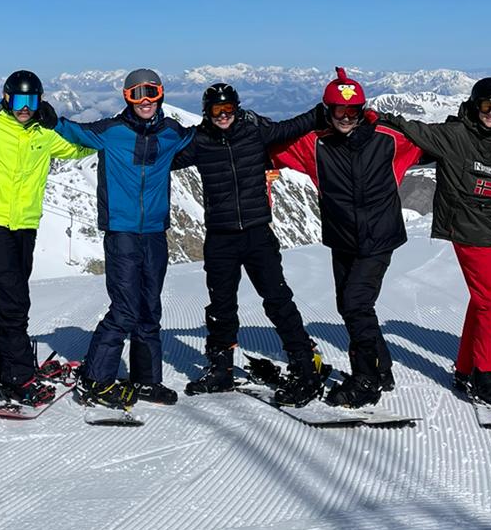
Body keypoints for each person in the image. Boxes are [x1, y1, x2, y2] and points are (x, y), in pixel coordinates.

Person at [270, 69, 423, 407]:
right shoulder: (314, 144)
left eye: (352, 111)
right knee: (350, 304)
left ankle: (366, 379)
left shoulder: (388, 139)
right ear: (328, 110)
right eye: (339, 110)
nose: (346, 117)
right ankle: (381, 367)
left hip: (379, 237)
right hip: (342, 239)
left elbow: (432, 144)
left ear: (362, 111)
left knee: (355, 303)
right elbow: (271, 143)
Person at [173, 81, 328, 404]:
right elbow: (163, 158)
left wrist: (324, 110)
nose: (224, 115)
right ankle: (220, 370)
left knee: (277, 299)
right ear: (207, 112)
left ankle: (304, 364)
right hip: (220, 237)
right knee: (221, 306)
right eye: (217, 109)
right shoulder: (199, 142)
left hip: (258, 234)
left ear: (237, 108)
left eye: (229, 108)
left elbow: (293, 126)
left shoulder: (255, 132)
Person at [380, 77, 491, 407]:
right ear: (474, 106)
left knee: (483, 301)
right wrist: (371, 116)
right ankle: (487, 375)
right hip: (467, 231)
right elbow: (410, 129)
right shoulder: (454, 135)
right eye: (486, 106)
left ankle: (466, 369)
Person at [0, 71, 93, 405]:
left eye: (32, 101)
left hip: (26, 226)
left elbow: (80, 148)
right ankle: (18, 376)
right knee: (15, 304)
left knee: (11, 300)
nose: (25, 107)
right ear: (6, 99)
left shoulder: (45, 134)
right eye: (19, 100)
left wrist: (63, 123)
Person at [53, 69, 195, 409]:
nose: (145, 101)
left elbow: (204, 140)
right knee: (126, 308)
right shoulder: (111, 131)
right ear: (127, 98)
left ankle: (146, 380)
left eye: (151, 93)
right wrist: (46, 115)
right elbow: (72, 130)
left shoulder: (172, 132)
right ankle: (96, 379)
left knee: (150, 307)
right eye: (136, 94)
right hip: (122, 233)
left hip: (155, 232)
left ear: (161, 95)